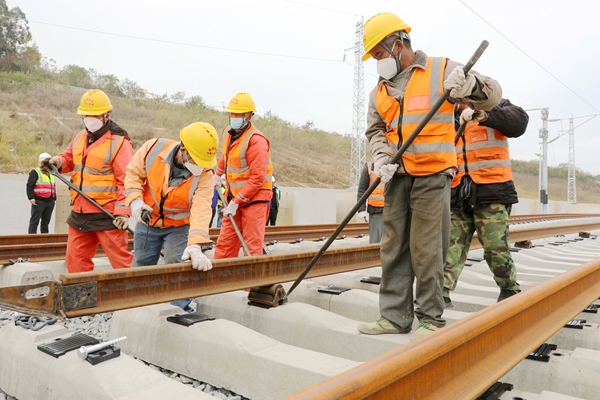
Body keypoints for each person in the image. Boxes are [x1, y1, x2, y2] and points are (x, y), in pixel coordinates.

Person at [356, 12, 502, 338]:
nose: (377, 62)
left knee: (427, 248)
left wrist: (468, 85)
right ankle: (394, 317)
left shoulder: (442, 70)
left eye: (379, 54)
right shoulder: (379, 93)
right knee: (393, 247)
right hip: (397, 176)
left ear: (397, 44)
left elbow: (493, 94)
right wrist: (382, 158)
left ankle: (430, 319)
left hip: (433, 174)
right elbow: (375, 132)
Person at [443, 99, 528, 308]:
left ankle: (509, 289)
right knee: (449, 247)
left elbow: (519, 122)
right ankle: (440, 292)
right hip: (458, 194)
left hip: (492, 191)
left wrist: (484, 113)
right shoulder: (445, 119)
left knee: (495, 248)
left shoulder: (496, 105)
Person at [124, 122, 217, 312]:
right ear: (183, 150)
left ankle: (179, 309)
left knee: (177, 262)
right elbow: (133, 174)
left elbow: (201, 209)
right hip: (148, 218)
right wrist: (135, 202)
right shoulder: (152, 149)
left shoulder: (205, 174)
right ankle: (137, 306)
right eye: (196, 160)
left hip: (179, 225)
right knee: (142, 263)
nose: (200, 166)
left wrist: (195, 244)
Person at [43, 89, 134, 273]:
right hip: (80, 210)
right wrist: (58, 162)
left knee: (121, 264)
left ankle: (134, 297)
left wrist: (123, 212)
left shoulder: (119, 143)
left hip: (107, 214)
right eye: (86, 115)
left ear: (106, 115)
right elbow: (69, 159)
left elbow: (127, 180)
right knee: (75, 261)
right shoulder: (79, 137)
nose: (89, 118)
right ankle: (82, 298)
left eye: (94, 115)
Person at [213, 92, 273, 258]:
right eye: (232, 113)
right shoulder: (228, 133)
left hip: (255, 199)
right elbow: (226, 157)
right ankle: (221, 282)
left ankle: (251, 284)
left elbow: (258, 178)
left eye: (238, 114)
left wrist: (237, 201)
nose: (234, 117)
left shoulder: (256, 141)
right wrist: (217, 174)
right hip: (235, 198)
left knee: (251, 247)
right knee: (225, 244)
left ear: (249, 116)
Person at [26, 152, 57, 234]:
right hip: (39, 201)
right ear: (42, 162)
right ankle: (32, 240)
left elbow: (52, 185)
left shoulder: (52, 172)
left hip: (50, 201)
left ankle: (45, 239)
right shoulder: (35, 172)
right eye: (47, 161)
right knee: (34, 221)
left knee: (45, 222)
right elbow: (29, 185)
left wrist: (54, 199)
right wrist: (31, 197)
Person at [356, 162, 384, 243]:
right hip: (376, 210)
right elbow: (362, 190)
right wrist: (361, 209)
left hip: (393, 209)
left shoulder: (396, 161)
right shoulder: (369, 166)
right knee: (376, 242)